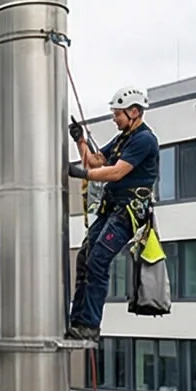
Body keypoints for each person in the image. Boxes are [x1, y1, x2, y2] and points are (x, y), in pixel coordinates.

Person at [66, 86, 160, 341]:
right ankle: (77, 319)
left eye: (117, 114)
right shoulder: (123, 138)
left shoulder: (144, 139)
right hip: (112, 210)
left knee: (98, 260)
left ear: (134, 112)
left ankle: (90, 324)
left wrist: (81, 174)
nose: (114, 118)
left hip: (127, 212)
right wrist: (80, 141)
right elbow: (95, 162)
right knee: (85, 257)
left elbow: (116, 172)